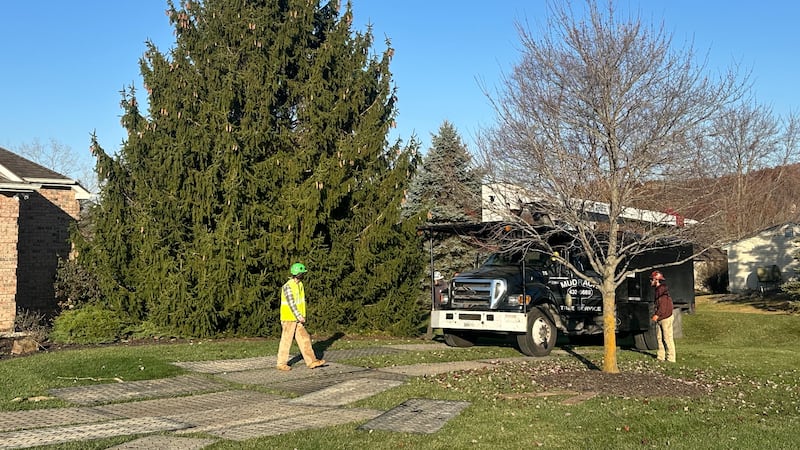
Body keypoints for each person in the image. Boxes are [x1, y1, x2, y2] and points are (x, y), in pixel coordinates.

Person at [276, 262, 326, 371]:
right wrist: (299, 316)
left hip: (297, 319)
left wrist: (302, 316)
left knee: (305, 339)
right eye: (302, 273)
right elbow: (291, 303)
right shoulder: (288, 286)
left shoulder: (300, 285)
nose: (303, 275)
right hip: (288, 318)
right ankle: (281, 363)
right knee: (286, 341)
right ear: (298, 274)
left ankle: (312, 361)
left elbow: (301, 302)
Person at [650, 270, 676, 363]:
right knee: (659, 338)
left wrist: (657, 315)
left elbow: (663, 306)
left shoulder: (662, 291)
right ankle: (661, 356)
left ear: (656, 279)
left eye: (651, 279)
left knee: (667, 338)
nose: (650, 281)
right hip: (661, 317)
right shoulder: (658, 290)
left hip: (666, 317)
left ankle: (671, 358)